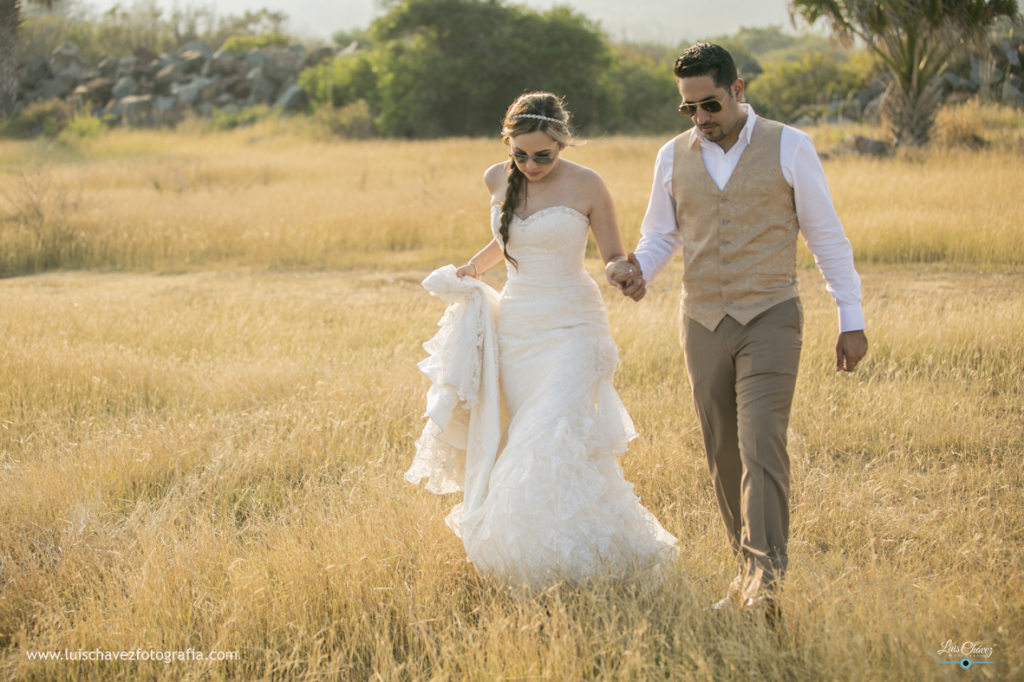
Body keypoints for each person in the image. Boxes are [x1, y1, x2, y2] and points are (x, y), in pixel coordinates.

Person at [608, 43, 868, 621]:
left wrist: (853, 320)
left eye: (711, 104)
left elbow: (826, 237)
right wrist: (638, 271)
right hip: (700, 321)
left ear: (738, 89)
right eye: (689, 109)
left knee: (761, 447)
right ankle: (744, 572)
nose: (701, 119)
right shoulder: (672, 157)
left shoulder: (790, 146)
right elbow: (661, 235)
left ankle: (765, 591)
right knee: (723, 453)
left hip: (772, 316)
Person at [408, 92, 678, 588]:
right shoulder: (496, 178)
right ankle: (535, 558)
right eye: (520, 154)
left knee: (548, 438)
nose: (530, 165)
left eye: (543, 155)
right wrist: (473, 268)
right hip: (518, 326)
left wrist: (624, 272)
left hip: (574, 327)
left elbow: (613, 253)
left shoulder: (589, 184)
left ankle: (563, 560)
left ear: (562, 143)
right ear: (508, 145)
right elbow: (510, 237)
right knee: (520, 435)